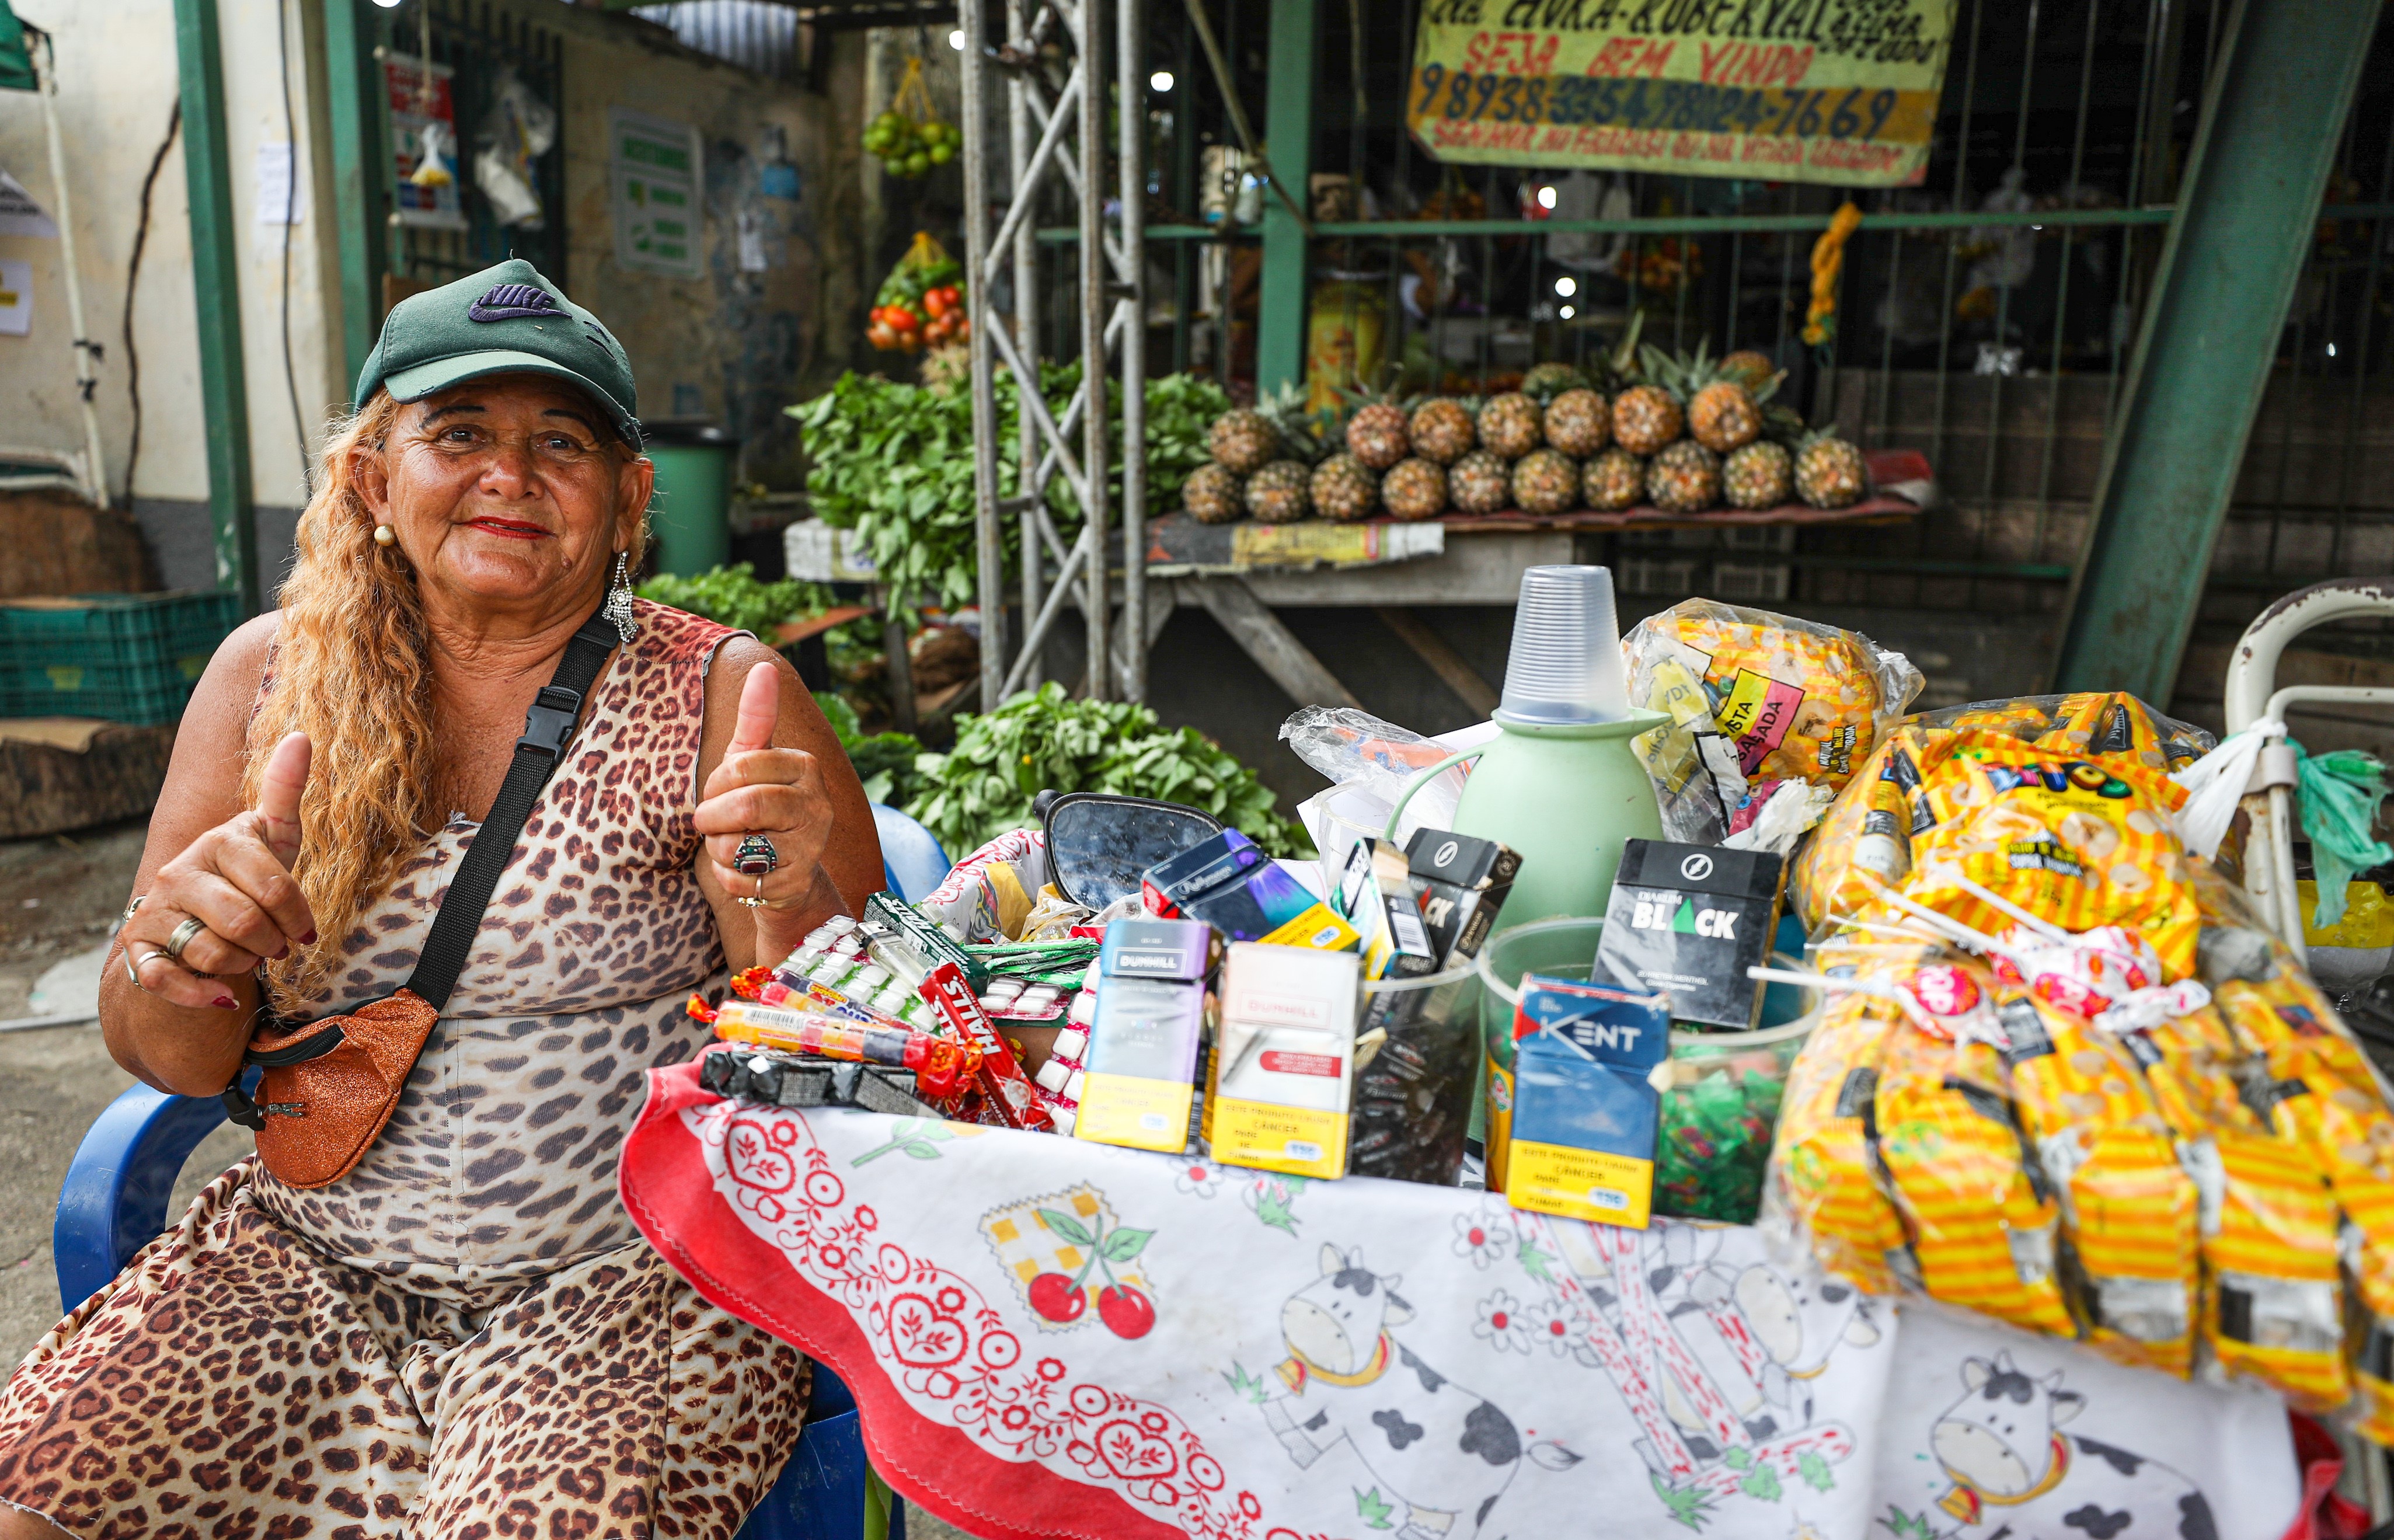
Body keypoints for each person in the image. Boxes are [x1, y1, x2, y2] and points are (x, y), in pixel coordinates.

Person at [0, 260, 881, 1538]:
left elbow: (860, 1056)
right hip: (302, 1265)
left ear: (629, 498)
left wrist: (785, 901)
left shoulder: (717, 696)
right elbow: (173, 1058)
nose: (508, 477)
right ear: (372, 475)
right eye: (457, 432)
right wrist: (178, 960)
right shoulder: (266, 679)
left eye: (560, 442)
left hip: (620, 1290)